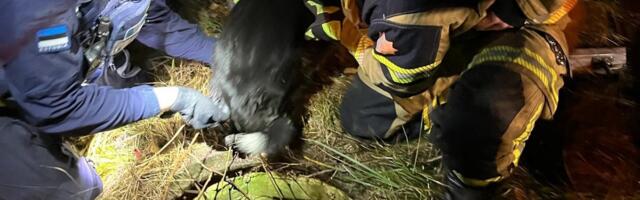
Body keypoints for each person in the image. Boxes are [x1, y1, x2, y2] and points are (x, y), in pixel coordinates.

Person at [307, 0, 575, 198]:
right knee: (362, 118)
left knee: (481, 120)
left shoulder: (405, 11)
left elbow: (399, 79)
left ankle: (475, 184)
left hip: (526, 28)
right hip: (445, 31)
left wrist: (349, 35)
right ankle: (452, 90)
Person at [0, 0, 229, 199]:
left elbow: (159, 23)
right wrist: (178, 98)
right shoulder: (38, 9)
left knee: (128, 84)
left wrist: (227, 58)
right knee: (74, 189)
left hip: (47, 67)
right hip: (17, 97)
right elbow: (60, 106)